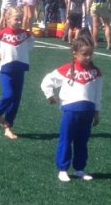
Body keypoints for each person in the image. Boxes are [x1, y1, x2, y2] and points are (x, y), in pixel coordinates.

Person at [41, 36, 102, 183]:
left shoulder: (96, 72)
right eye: (84, 54)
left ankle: (79, 169)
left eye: (90, 54)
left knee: (82, 141)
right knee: (66, 139)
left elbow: (98, 93)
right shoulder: (66, 69)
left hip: (88, 112)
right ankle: (63, 169)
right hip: (71, 111)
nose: (88, 57)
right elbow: (47, 81)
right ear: (75, 53)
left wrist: (97, 111)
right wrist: (50, 96)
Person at [0, 6, 34, 140]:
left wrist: (23, 53)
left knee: (16, 100)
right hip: (6, 69)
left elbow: (31, 43)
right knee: (9, 95)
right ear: (8, 19)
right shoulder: (3, 33)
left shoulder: (25, 34)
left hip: (20, 69)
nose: (19, 22)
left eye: (20, 19)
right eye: (16, 19)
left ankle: (8, 127)